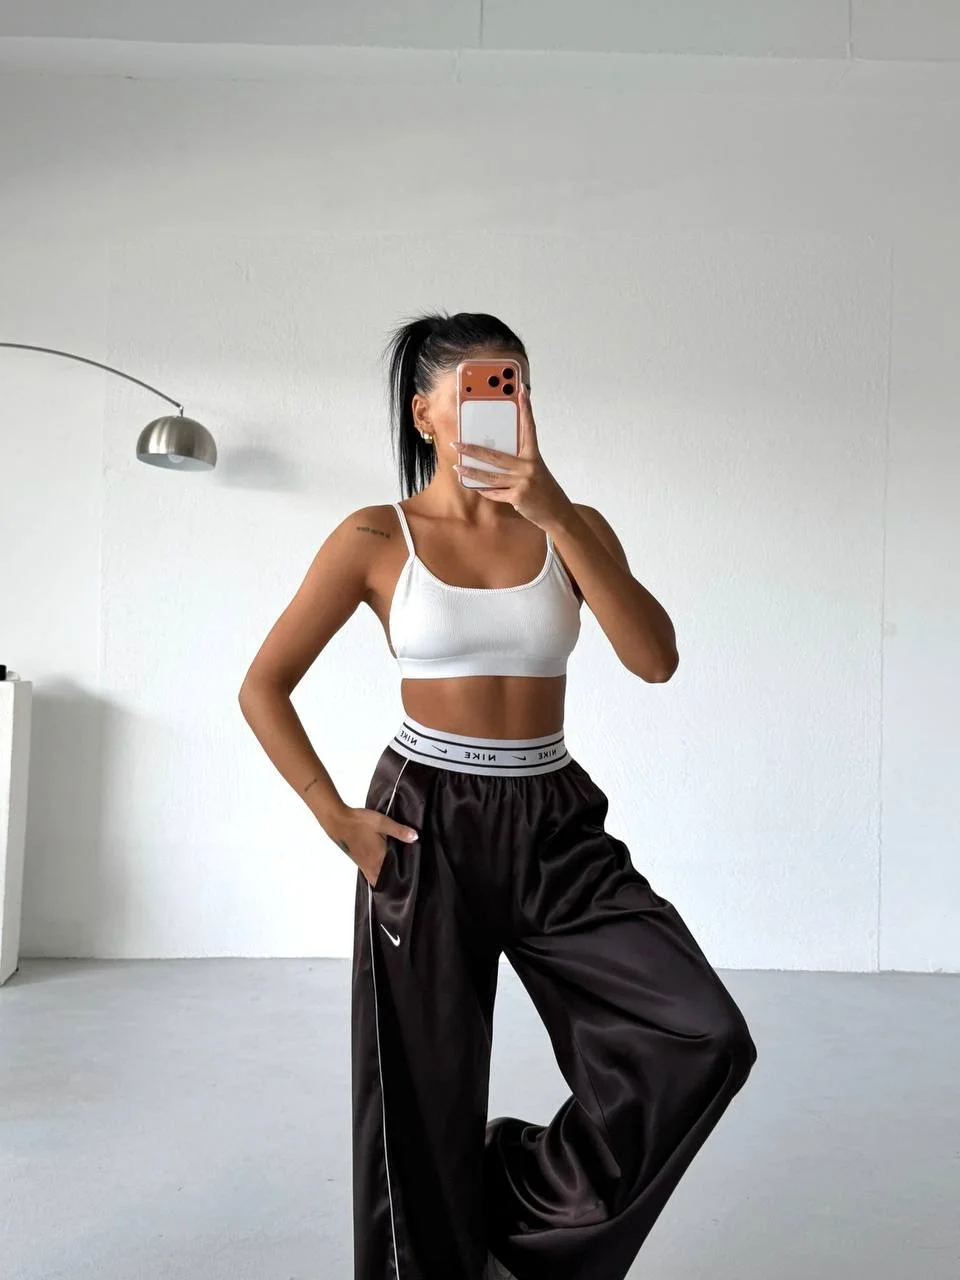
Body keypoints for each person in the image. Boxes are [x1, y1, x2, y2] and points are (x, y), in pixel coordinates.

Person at [238, 312, 756, 1280]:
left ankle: (510, 1193)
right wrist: (335, 818)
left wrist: (555, 512)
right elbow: (263, 685)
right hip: (422, 821)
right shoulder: (374, 535)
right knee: (420, 1094)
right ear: (426, 413)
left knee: (700, 1033)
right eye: (478, 387)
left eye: (513, 387)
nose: (501, 407)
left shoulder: (573, 525)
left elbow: (655, 660)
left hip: (554, 818)